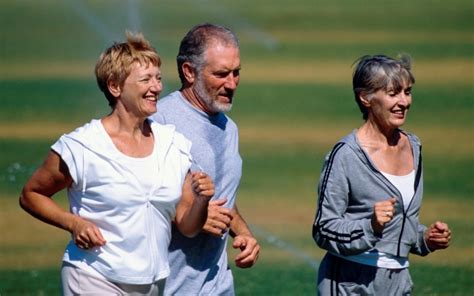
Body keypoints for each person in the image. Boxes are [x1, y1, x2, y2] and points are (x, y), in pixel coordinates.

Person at [19, 31, 215, 295]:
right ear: (115, 86)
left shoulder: (174, 144)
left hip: (153, 283)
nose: (157, 87)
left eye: (158, 78)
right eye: (146, 79)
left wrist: (201, 201)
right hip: (93, 276)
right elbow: (31, 194)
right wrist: (73, 223)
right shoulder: (82, 146)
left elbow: (187, 226)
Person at [312, 54, 452, 295]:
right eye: (393, 93)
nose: (404, 102)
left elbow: (400, 223)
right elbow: (323, 228)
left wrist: (424, 238)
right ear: (365, 97)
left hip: (398, 282)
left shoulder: (413, 146)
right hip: (351, 281)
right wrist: (370, 225)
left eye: (407, 92)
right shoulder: (345, 155)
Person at [151, 23, 260, 295]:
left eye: (236, 73)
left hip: (216, 283)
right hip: (168, 285)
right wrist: (186, 214)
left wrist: (243, 233)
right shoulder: (159, 122)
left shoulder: (228, 128)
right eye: (221, 74)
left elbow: (222, 197)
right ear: (189, 71)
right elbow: (133, 196)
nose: (232, 83)